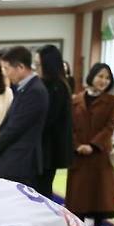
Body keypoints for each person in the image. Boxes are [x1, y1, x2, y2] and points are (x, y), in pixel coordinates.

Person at [65, 63, 114, 226]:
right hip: (79, 156)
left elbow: (109, 127)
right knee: (77, 202)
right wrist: (77, 145)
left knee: (98, 200)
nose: (103, 80)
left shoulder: (112, 101)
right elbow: (68, 126)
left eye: (107, 78)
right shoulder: (75, 100)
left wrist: (93, 145)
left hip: (99, 156)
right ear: (92, 76)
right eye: (100, 76)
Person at [0, 46, 48, 187]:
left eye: (7, 68)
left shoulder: (35, 91)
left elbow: (16, 126)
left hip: (21, 162)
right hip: (13, 160)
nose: (5, 73)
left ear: (20, 67)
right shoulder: (25, 88)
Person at [33, 44, 73, 199]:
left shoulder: (56, 87)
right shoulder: (51, 84)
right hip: (46, 148)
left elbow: (48, 119)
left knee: (42, 190)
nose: (36, 68)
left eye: (38, 65)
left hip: (49, 150)